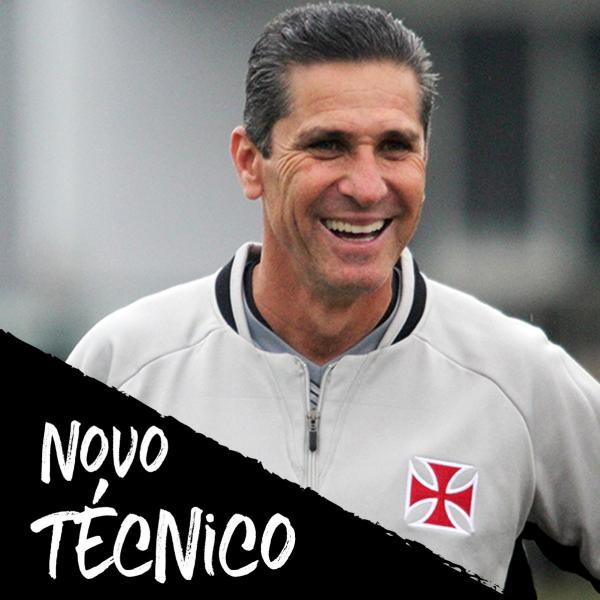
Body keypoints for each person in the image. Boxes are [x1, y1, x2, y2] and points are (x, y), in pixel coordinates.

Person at [67, 3, 599, 594]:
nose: (367, 187)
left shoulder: (516, 380)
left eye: (395, 147)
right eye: (328, 146)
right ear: (250, 163)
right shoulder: (126, 369)